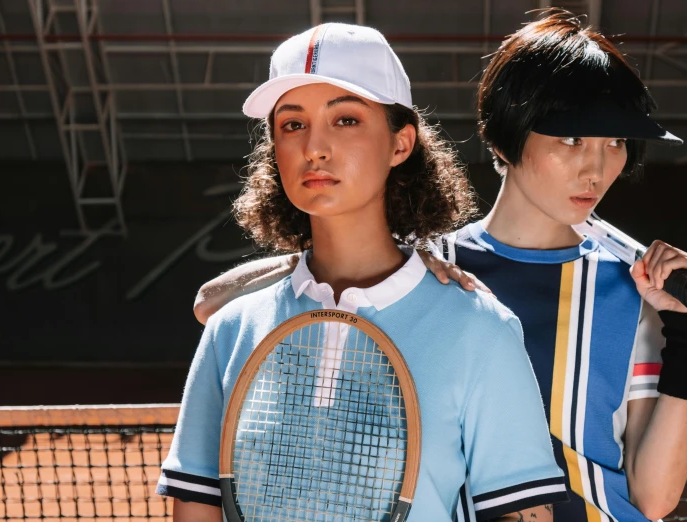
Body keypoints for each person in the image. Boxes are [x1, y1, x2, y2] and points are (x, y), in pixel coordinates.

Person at [192, 12, 687, 522]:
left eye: (615, 143)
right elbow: (211, 303)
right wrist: (378, 259)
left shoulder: (635, 296)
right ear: (504, 139)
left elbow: (653, 498)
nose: (596, 168)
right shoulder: (426, 272)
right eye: (572, 139)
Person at [158, 23, 568, 522]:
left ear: (401, 145)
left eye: (346, 120)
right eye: (292, 124)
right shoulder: (231, 329)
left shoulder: (481, 330)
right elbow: (197, 508)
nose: (315, 147)